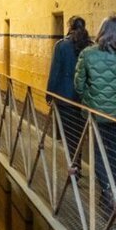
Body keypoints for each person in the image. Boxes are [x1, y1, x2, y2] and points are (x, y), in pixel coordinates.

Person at [73, 16, 116, 201]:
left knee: (98, 153)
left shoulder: (88, 54)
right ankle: (113, 187)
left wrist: (89, 98)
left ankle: (106, 189)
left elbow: (78, 84)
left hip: (95, 115)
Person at [46, 16, 92, 162]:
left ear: (69, 27)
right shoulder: (90, 46)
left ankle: (74, 167)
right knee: (79, 133)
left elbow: (55, 72)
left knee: (68, 134)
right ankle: (76, 164)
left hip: (64, 98)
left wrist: (49, 94)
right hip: (83, 98)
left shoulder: (61, 46)